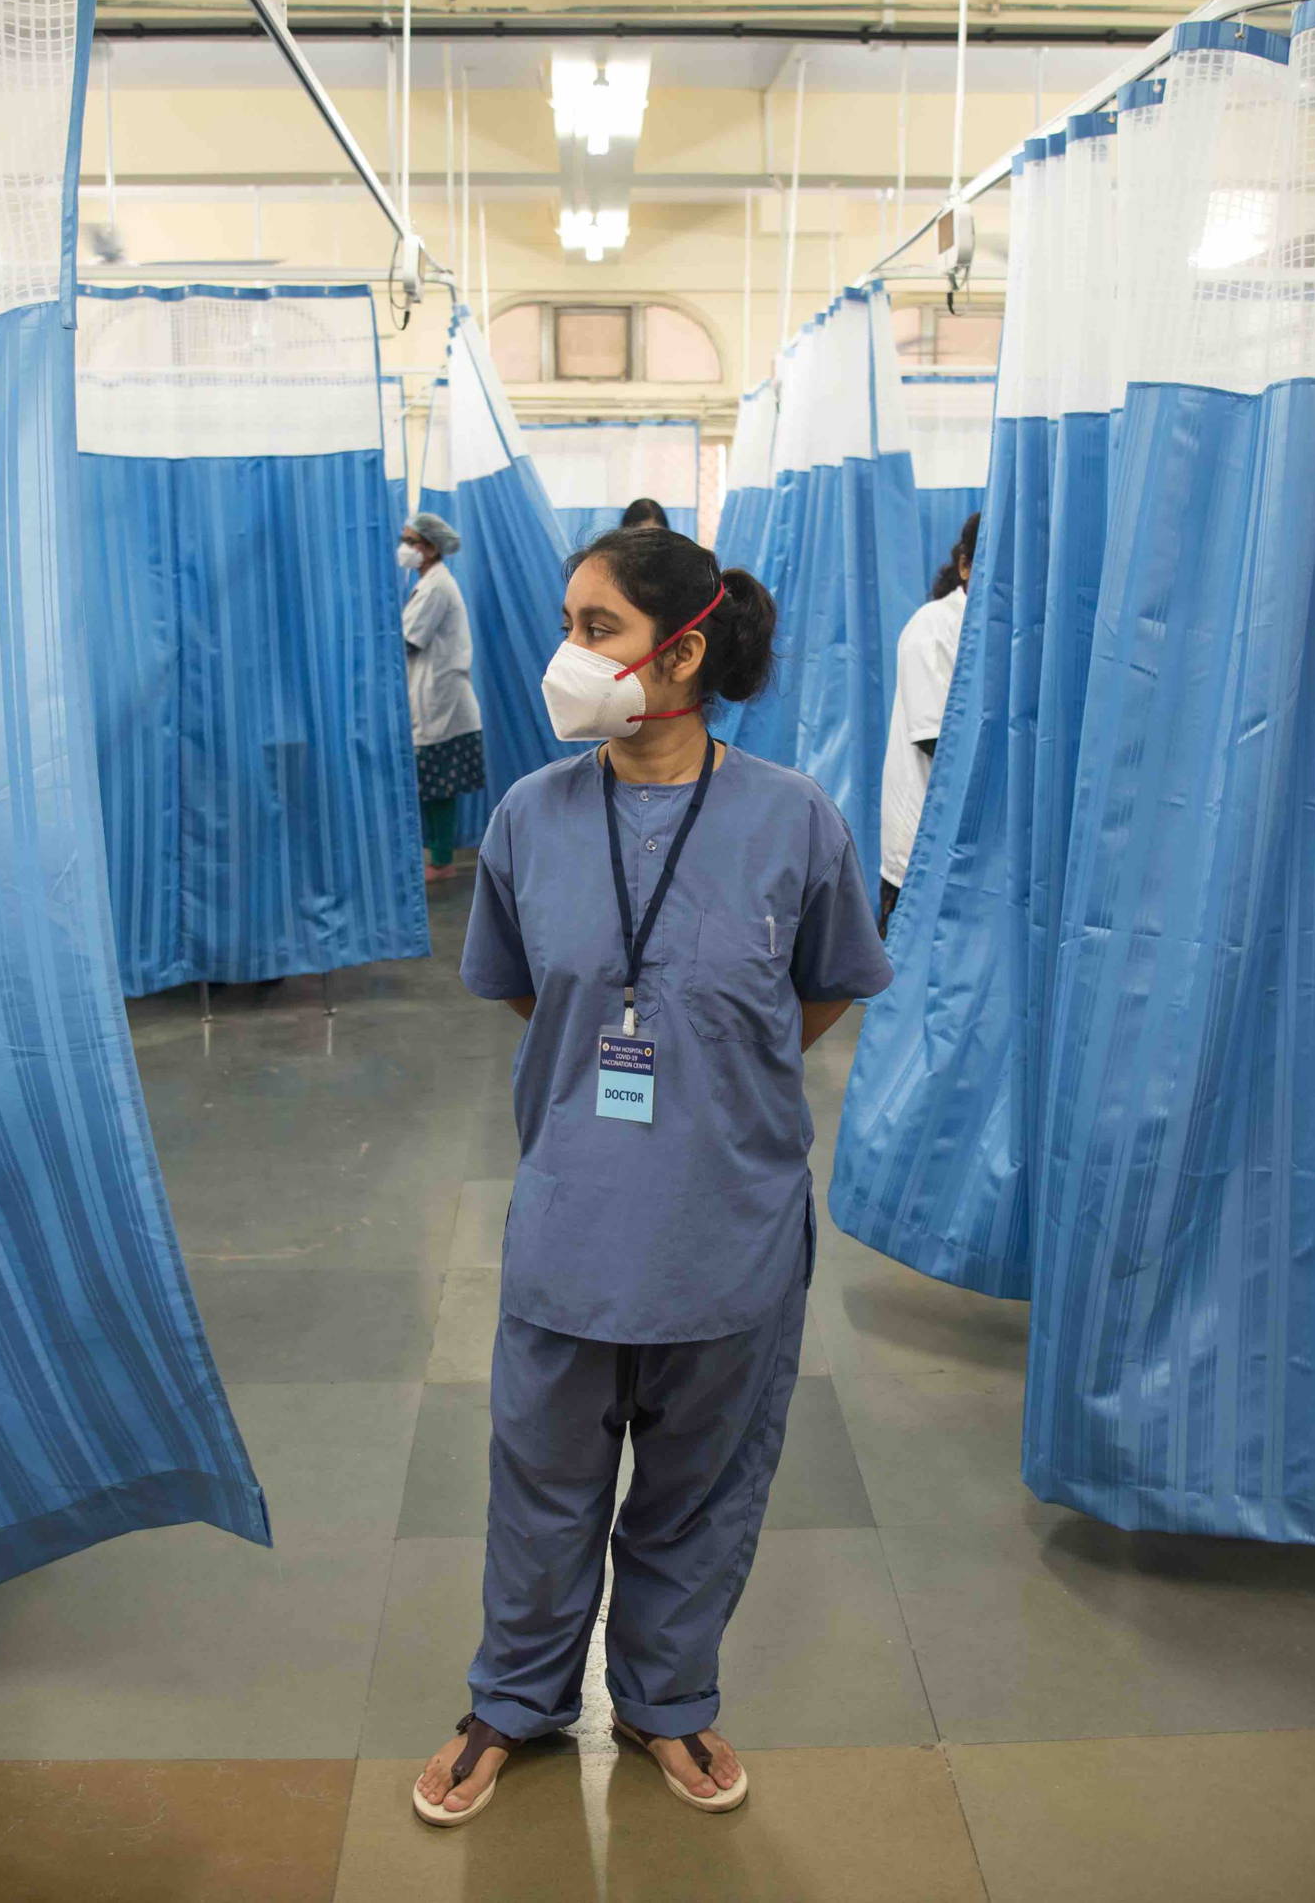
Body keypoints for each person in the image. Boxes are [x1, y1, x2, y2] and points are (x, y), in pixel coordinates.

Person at [413, 525, 892, 1827]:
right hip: (576, 1208)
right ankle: (514, 1696)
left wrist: (717, 1076)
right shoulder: (530, 817)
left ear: (682, 651)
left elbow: (831, 983)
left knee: (700, 1482)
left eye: (599, 627)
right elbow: (522, 986)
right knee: (543, 1479)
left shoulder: (793, 818)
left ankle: (668, 1698)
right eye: (570, 622)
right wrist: (621, 1073)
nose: (571, 654)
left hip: (727, 1215)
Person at [878, 512, 976, 925]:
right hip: (922, 845)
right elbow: (937, 740)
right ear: (965, 566)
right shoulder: (933, 627)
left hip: (969, 850)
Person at [401, 511, 484, 883]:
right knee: (433, 784)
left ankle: (441, 859)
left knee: (439, 785)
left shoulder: (436, 587)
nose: (404, 550)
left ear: (431, 548)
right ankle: (437, 853)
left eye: (410, 542)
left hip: (442, 700)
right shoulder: (429, 582)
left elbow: (407, 639)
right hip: (434, 696)